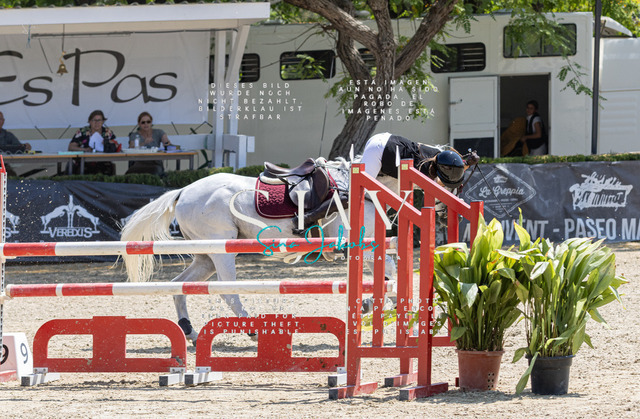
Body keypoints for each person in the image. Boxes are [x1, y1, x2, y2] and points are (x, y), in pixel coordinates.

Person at [359, 132, 476, 188]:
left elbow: (452, 162)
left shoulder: (437, 153)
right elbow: (439, 185)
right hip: (378, 151)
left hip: (384, 137)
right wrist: (467, 165)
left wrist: (467, 163)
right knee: (359, 189)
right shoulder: (425, 173)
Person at [68, 110, 120, 175]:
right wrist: (85, 149)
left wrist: (109, 143)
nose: (97, 123)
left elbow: (116, 146)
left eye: (99, 120)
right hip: (84, 162)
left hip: (103, 162)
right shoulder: (82, 131)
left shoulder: (107, 132)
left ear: (103, 121)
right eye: (94, 120)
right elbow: (71, 147)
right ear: (89, 121)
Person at [125, 111, 173, 176]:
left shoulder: (159, 132)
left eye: (148, 122)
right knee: (129, 173)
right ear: (139, 124)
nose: (146, 124)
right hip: (139, 163)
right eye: (143, 122)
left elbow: (167, 143)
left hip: (155, 163)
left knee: (156, 171)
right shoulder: (134, 135)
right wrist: (144, 143)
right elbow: (131, 148)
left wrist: (167, 144)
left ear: (151, 122)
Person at [0, 111, 32, 176]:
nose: (0, 121)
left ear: (3, 121)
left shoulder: (7, 135)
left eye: (1, 119)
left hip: (4, 166)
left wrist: (25, 146)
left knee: (12, 175)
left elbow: (19, 147)